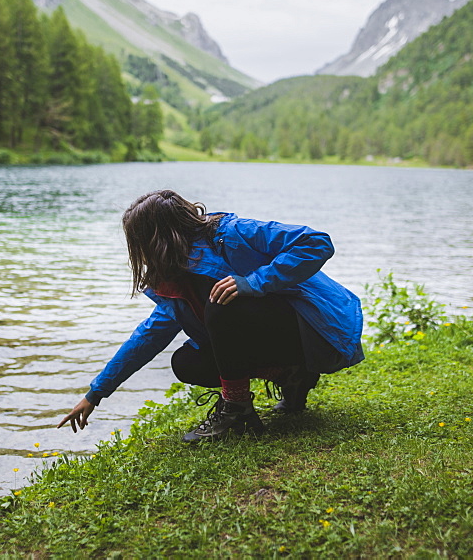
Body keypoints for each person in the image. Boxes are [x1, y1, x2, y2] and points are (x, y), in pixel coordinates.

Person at [57, 189, 364, 443]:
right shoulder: (176, 281)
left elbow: (316, 243)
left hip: (318, 331)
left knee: (221, 303)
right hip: (283, 337)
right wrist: (95, 394)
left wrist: (254, 283)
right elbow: (145, 338)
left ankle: (237, 408)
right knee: (186, 362)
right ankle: (291, 376)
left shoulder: (231, 233)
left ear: (158, 238)